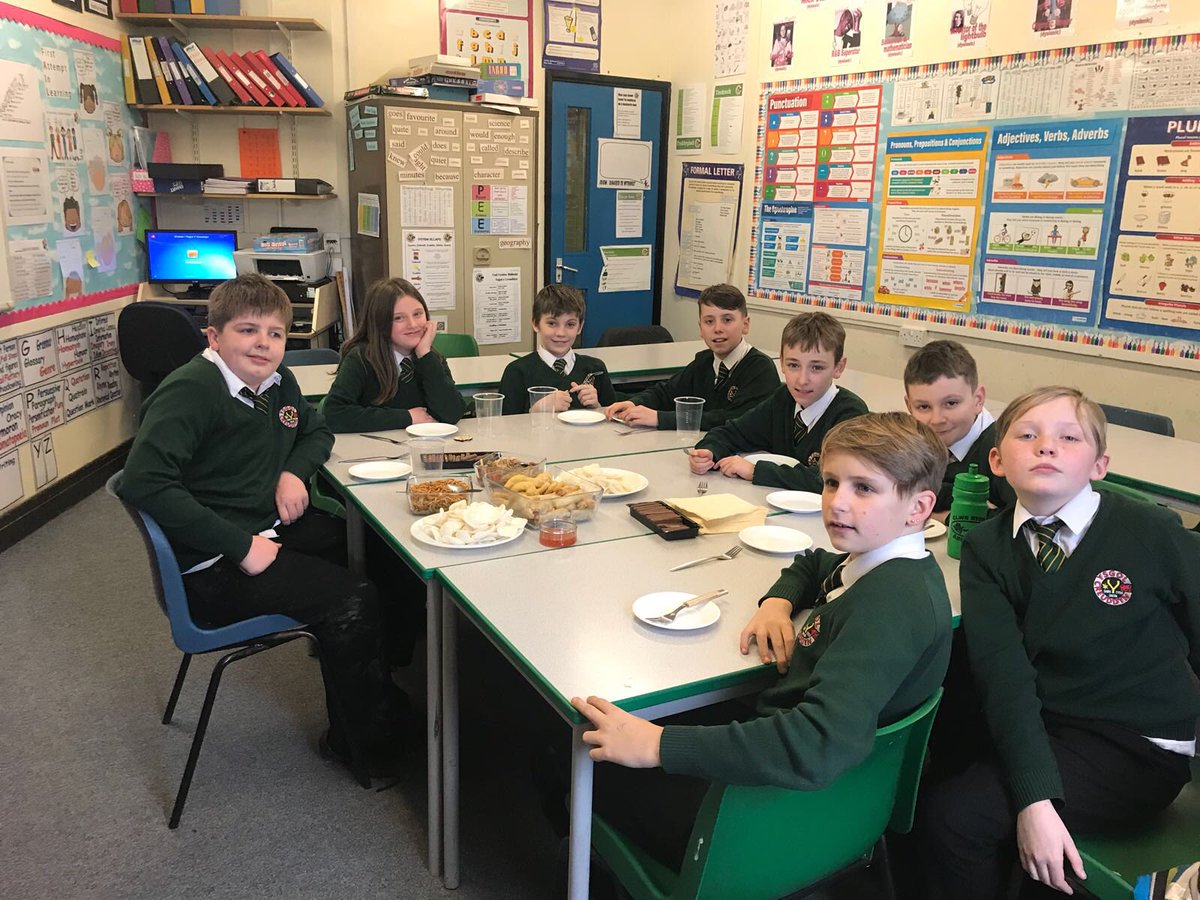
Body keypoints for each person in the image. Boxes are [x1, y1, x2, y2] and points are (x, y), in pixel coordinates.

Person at [570, 413, 952, 870]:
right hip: (824, 791)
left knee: (571, 754)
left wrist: (659, 745)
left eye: (864, 488)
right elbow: (814, 563)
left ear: (918, 508)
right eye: (832, 483)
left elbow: (817, 743)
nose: (837, 503)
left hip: (765, 819)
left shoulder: (888, 608)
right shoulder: (885, 565)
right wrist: (777, 603)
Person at [118, 274, 413, 778]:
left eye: (274, 333)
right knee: (352, 597)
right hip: (214, 561)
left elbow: (316, 432)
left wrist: (292, 472)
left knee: (384, 551)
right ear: (214, 337)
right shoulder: (192, 390)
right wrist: (239, 546)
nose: (263, 344)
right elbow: (143, 483)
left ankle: (376, 687)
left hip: (266, 527)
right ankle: (361, 746)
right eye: (247, 330)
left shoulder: (277, 383)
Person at [923, 387, 1199, 899]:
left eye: (1069, 438)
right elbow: (1004, 676)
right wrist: (1035, 797)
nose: (1046, 446)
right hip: (1058, 720)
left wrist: (1037, 801)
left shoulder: (1150, 530)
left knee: (956, 818)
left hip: (1137, 743)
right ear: (997, 461)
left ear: (1099, 465)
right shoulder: (986, 547)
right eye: (1027, 435)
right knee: (944, 740)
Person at [686, 311, 867, 491]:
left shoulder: (851, 415)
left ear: (838, 367)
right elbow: (732, 432)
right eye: (793, 365)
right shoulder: (783, 399)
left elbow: (831, 479)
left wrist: (756, 471)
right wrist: (709, 451)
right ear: (781, 363)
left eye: (817, 368)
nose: (802, 380)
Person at [606, 284, 778, 431]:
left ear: (745, 325)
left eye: (727, 320)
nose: (718, 329)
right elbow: (666, 392)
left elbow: (733, 419)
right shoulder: (705, 361)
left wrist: (660, 418)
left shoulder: (760, 368)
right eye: (709, 321)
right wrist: (635, 403)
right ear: (700, 328)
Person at [323, 277, 464, 433]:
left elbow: (452, 414)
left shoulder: (430, 358)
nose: (413, 324)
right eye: (398, 318)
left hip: (423, 444)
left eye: (418, 314)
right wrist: (406, 417)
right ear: (380, 323)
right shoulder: (361, 358)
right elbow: (333, 414)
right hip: (375, 446)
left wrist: (424, 355)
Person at [902, 339, 1015, 515]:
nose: (937, 419)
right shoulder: (909, 442)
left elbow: (1016, 523)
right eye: (923, 407)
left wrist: (942, 516)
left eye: (951, 403)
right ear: (909, 406)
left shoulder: (1005, 450)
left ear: (978, 400)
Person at [499, 284, 616, 415]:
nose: (561, 333)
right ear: (536, 324)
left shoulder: (595, 368)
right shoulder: (517, 372)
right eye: (552, 323)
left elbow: (614, 417)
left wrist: (597, 407)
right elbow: (504, 424)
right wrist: (536, 410)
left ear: (580, 327)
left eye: (570, 324)